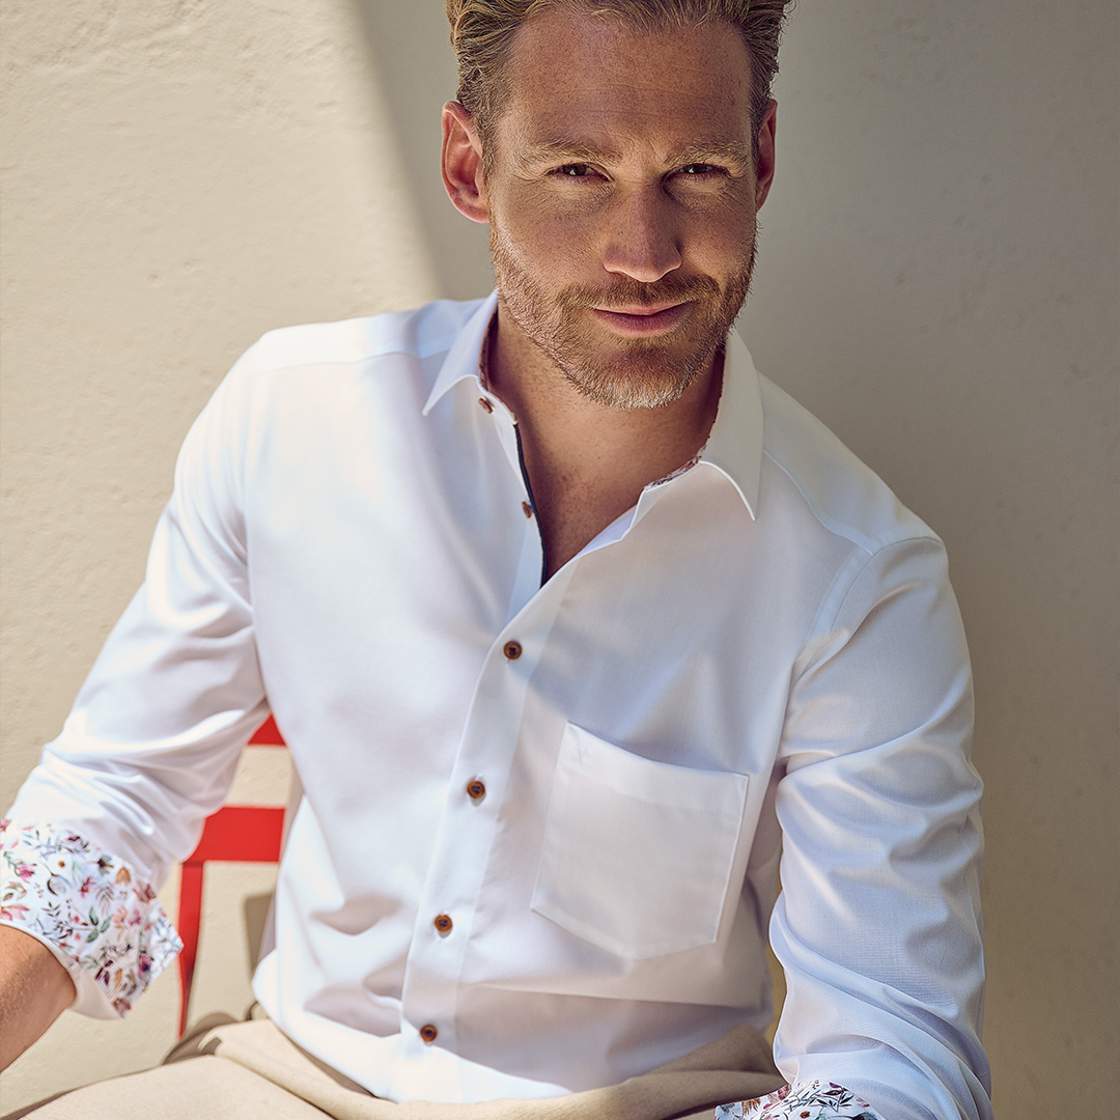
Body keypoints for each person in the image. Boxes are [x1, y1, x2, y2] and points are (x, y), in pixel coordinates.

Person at [0, 2, 994, 1118]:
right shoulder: (290, 418)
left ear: (760, 160)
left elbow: (891, 1055)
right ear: (470, 168)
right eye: (578, 172)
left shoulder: (862, 582)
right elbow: (111, 803)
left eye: (695, 171)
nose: (644, 253)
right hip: (289, 1077)